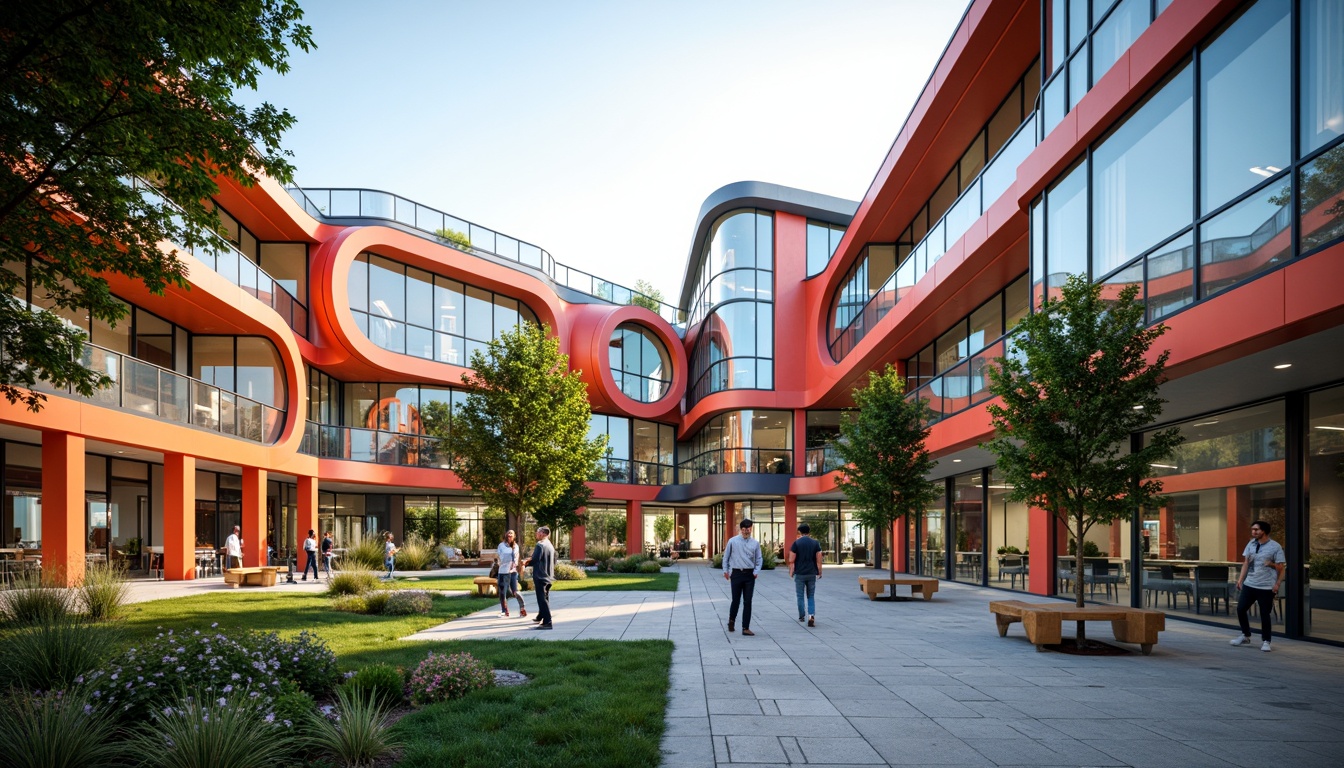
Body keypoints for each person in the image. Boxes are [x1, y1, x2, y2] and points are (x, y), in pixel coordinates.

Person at [1231, 520, 1286, 652]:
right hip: (1250, 583)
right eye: (1252, 530)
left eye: (1256, 530)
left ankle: (1266, 641)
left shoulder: (1275, 546)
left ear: (1264, 531)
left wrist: (1277, 582)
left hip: (1266, 586)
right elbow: (1246, 562)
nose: (1253, 532)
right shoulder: (1251, 544)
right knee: (1240, 609)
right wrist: (1240, 579)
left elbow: (1282, 568)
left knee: (1264, 614)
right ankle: (1246, 635)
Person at [722, 519, 763, 636]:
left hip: (749, 574)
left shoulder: (755, 543)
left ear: (751, 529)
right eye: (744, 529)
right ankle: (731, 620)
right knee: (736, 600)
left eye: (748, 529)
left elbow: (759, 559)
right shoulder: (732, 541)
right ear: (740, 529)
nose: (746, 532)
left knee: (748, 601)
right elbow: (726, 557)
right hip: (736, 573)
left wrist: (756, 571)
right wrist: (725, 570)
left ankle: (746, 627)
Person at [789, 522, 823, 627]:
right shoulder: (815, 543)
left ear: (800, 531)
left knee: (800, 595)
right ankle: (811, 615)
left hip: (800, 573)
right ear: (809, 531)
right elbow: (819, 559)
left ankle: (802, 616)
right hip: (811, 572)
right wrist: (820, 571)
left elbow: (791, 559)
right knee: (811, 595)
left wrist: (791, 571)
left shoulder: (796, 543)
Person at [524, 526, 556, 629]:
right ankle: (541, 616)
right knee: (545, 598)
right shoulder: (550, 545)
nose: (536, 534)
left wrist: (524, 563)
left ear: (542, 533)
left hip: (540, 576)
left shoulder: (540, 545)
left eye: (537, 532)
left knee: (542, 599)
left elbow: (535, 560)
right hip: (548, 575)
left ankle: (547, 622)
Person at [495, 529, 527, 618]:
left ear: (514, 536)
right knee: (502, 592)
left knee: (515, 591)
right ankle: (504, 611)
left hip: (512, 571)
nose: (509, 534)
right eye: (508, 533)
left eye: (511, 533)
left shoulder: (516, 546)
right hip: (503, 571)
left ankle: (522, 608)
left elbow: (515, 559)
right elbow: (500, 557)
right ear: (506, 535)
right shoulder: (501, 545)